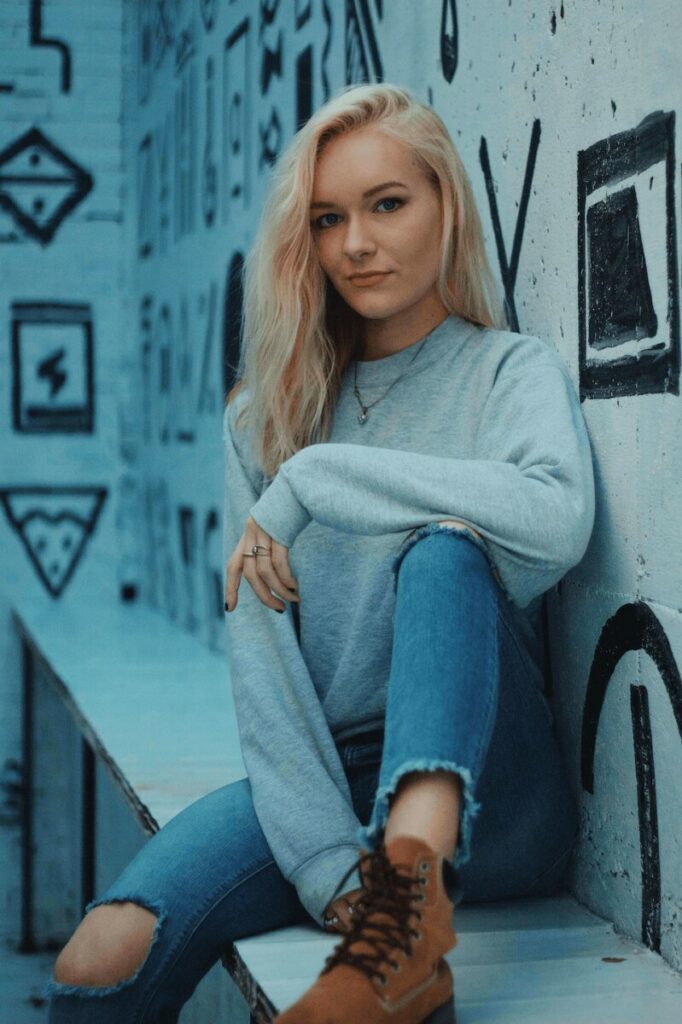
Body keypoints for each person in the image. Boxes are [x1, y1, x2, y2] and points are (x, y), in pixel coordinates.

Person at [46, 82, 595, 1024]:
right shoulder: (266, 420)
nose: (355, 244)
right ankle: (391, 920)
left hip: (494, 792)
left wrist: (319, 481)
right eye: (329, 218)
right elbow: (262, 660)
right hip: (332, 783)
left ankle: (409, 927)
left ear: (444, 204)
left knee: (443, 554)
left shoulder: (509, 374)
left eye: (388, 204)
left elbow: (557, 521)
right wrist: (331, 868)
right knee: (103, 954)